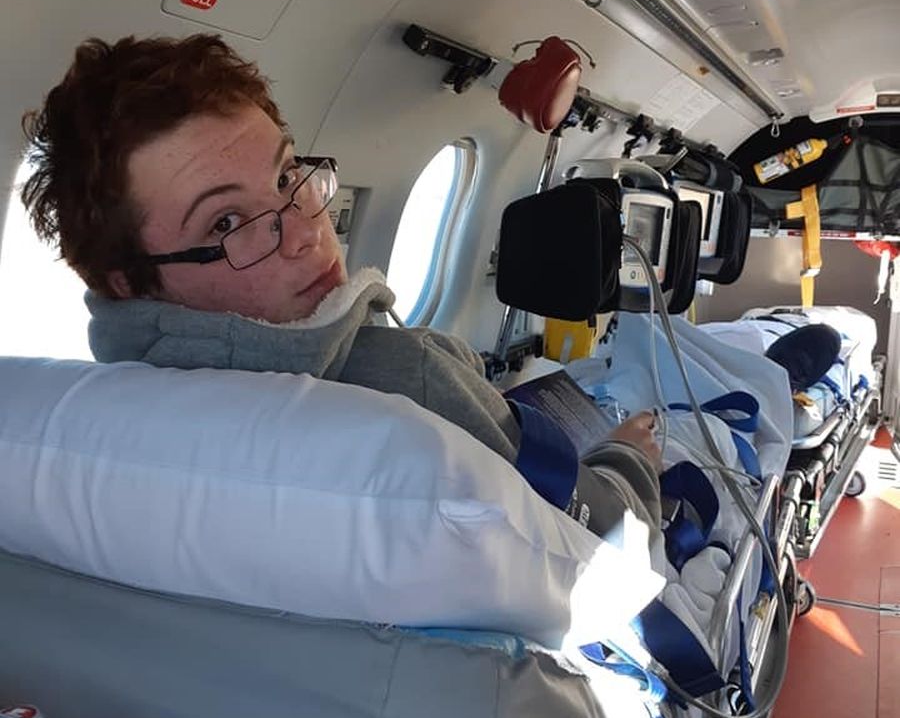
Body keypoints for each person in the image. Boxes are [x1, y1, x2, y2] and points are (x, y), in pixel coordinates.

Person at [20, 33, 661, 534]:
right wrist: (627, 459)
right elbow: (590, 536)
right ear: (131, 283)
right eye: (228, 221)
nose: (304, 229)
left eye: (283, 177)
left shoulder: (75, 437)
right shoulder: (407, 386)